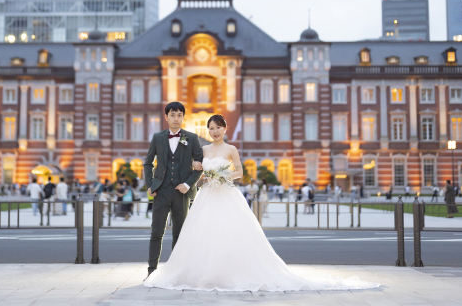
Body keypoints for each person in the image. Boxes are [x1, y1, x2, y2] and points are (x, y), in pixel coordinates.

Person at [144, 114, 379, 292]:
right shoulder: (203, 149)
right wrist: (202, 173)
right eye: (211, 129)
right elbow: (196, 169)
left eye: (218, 128)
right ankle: (199, 270)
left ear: (225, 129)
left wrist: (221, 175)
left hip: (226, 193)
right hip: (207, 195)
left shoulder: (231, 148)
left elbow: (239, 173)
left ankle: (230, 271)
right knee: (202, 233)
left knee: (233, 233)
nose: (214, 132)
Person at [143, 102, 204, 279]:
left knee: (179, 234)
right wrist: (150, 184)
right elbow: (147, 163)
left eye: (179, 115)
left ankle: (177, 272)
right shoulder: (158, 137)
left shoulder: (192, 138)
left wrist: (188, 184)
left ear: (183, 117)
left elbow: (200, 166)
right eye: (172, 115)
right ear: (166, 117)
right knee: (156, 232)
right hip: (161, 191)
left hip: (182, 193)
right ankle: (151, 271)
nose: (176, 118)